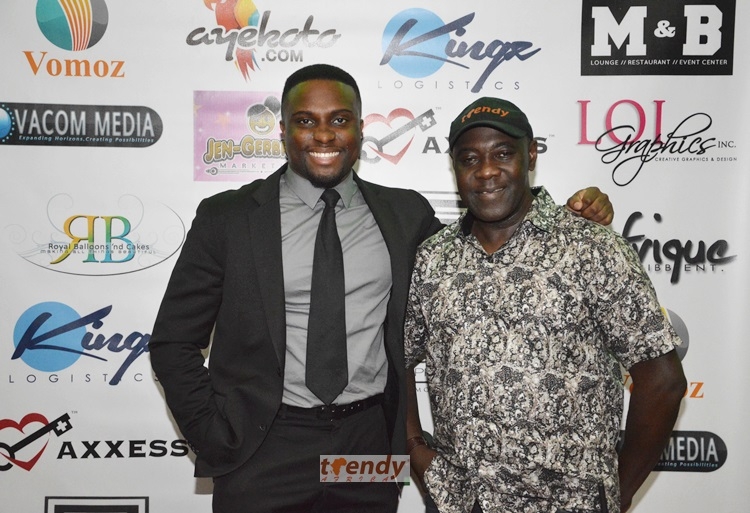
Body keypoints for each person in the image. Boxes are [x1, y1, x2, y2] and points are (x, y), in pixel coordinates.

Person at [149, 65, 613, 513]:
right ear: (284, 131)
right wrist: (213, 434)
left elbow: (485, 244)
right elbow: (174, 343)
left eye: (339, 120)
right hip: (262, 448)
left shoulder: (405, 215)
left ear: (360, 129)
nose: (324, 135)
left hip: (368, 443)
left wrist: (572, 216)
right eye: (306, 121)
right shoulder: (227, 218)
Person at [404, 97, 686, 513]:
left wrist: (619, 492)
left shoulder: (591, 247)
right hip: (463, 502)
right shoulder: (433, 259)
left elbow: (662, 380)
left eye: (503, 153)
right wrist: (416, 449)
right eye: (469, 159)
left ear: (531, 154)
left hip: (571, 502)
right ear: (455, 167)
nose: (486, 171)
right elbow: (398, 360)